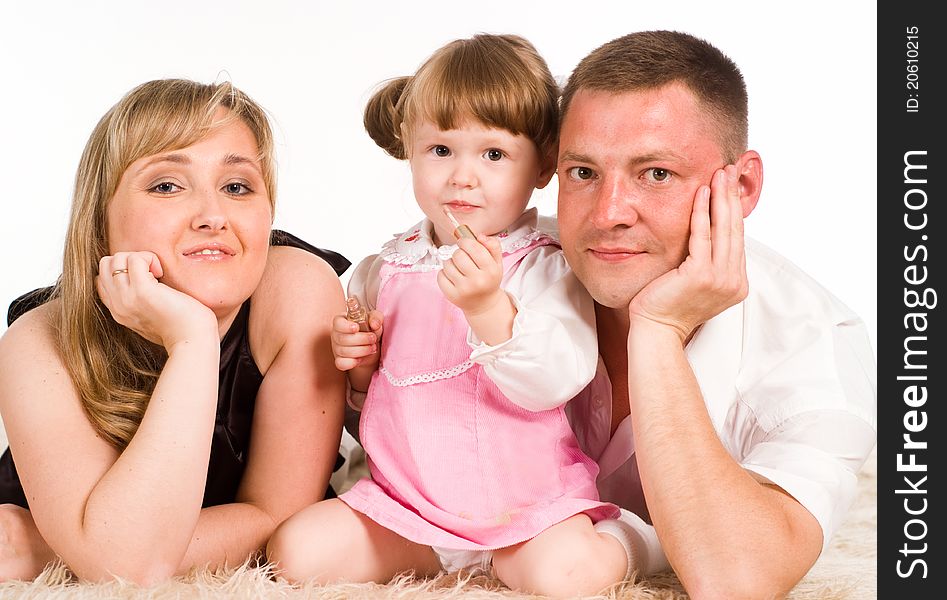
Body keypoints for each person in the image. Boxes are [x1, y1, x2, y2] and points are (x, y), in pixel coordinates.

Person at [266, 34, 661, 598]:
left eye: (494, 154)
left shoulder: (541, 263)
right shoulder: (387, 268)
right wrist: (358, 366)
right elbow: (374, 409)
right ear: (410, 148)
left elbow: (558, 379)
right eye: (442, 151)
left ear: (544, 164)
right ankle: (450, 560)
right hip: (411, 507)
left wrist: (488, 307)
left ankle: (638, 539)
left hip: (526, 511)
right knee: (297, 552)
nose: (463, 176)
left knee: (564, 576)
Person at [555, 31, 877, 599]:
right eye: (583, 172)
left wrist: (658, 332)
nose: (608, 213)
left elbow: (736, 580)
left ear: (744, 185)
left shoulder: (816, 348)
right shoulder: (506, 268)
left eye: (656, 173)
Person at [0, 79, 348, 584]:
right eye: (167, 185)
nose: (213, 216)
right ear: (101, 219)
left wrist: (55, 550)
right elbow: (127, 571)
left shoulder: (296, 290)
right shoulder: (37, 343)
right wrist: (193, 341)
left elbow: (279, 516)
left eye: (237, 187)